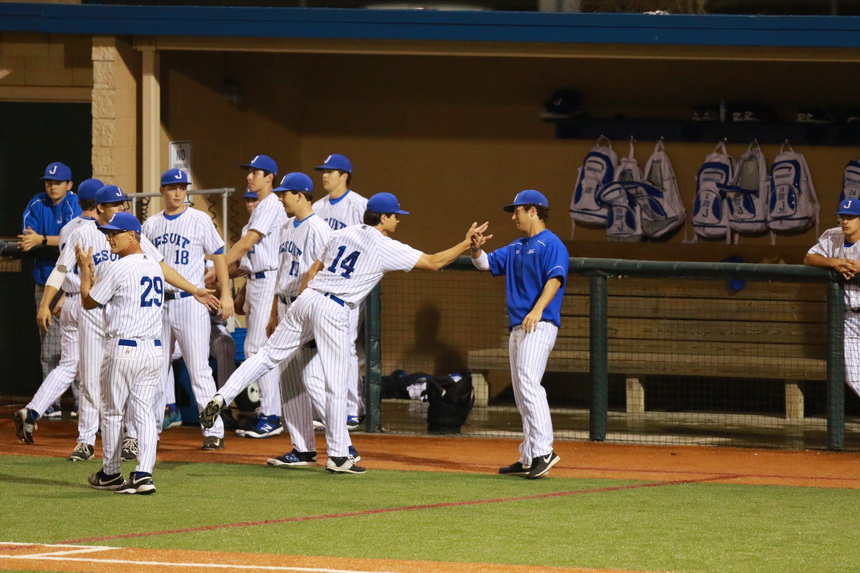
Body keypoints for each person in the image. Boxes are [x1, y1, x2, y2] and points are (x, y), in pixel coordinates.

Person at [200, 192, 488, 474]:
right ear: (383, 217)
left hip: (308, 298)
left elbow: (314, 270)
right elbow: (434, 262)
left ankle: (222, 396)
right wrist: (466, 243)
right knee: (336, 385)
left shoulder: (343, 233)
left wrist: (304, 307)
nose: (398, 220)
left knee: (267, 356)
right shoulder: (383, 245)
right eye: (395, 216)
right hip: (334, 308)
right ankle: (338, 455)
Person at [13, 184, 218, 461]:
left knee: (131, 381)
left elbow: (160, 266)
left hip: (120, 312)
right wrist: (45, 302)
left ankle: (131, 438)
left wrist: (193, 289)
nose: (121, 207)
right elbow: (61, 269)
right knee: (89, 379)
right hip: (92, 311)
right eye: (115, 204)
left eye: (122, 203)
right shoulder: (83, 233)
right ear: (100, 207)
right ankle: (86, 440)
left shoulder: (127, 232)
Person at [469, 189, 568, 479]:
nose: (513, 216)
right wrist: (475, 249)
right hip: (518, 327)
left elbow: (555, 279)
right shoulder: (516, 246)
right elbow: (485, 264)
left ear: (533, 211)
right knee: (521, 392)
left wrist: (537, 310)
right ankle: (529, 457)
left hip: (540, 323)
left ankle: (544, 451)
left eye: (517, 211)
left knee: (528, 384)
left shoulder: (552, 243)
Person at [142, 168, 234, 450]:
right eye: (173, 187)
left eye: (182, 187)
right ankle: (151, 430)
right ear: (162, 190)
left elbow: (218, 255)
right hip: (159, 303)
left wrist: (226, 293)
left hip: (191, 302)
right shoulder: (151, 225)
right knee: (156, 369)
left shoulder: (199, 219)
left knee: (199, 369)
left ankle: (213, 430)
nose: (178, 192)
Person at [77, 211, 164, 494]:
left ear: (133, 235)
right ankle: (144, 474)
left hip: (124, 349)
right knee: (145, 413)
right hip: (153, 351)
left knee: (113, 413)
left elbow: (89, 302)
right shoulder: (155, 266)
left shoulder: (119, 267)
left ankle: (111, 474)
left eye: (115, 233)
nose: (109, 238)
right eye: (108, 233)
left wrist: (85, 272)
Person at [13, 178, 103, 444]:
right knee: (96, 369)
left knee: (68, 365)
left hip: (71, 301)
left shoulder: (67, 228)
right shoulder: (100, 231)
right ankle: (91, 432)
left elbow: (63, 268)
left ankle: (32, 411)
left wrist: (55, 300)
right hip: (91, 303)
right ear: (100, 204)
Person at [211, 155, 286, 439]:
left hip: (269, 281)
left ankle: (271, 415)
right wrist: (223, 277)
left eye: (255, 172)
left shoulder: (271, 203)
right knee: (258, 349)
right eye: (249, 172)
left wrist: (218, 268)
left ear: (270, 177)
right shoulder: (260, 208)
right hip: (255, 281)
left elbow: (245, 245)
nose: (249, 177)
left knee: (259, 350)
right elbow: (246, 261)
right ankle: (266, 411)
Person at [19, 162, 82, 402]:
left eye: (57, 183)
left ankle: (80, 400)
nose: (52, 187)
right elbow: (28, 238)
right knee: (49, 345)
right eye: (49, 182)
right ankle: (50, 403)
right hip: (44, 281)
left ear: (69, 184)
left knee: (77, 346)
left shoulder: (75, 203)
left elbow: (74, 239)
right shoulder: (37, 202)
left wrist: (43, 240)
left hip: (73, 284)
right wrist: (42, 241)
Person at [313, 153, 368, 430]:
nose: (325, 175)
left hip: (350, 285)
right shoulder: (317, 207)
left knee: (346, 345)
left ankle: (352, 408)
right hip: (324, 286)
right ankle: (335, 407)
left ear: (344, 175)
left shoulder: (359, 205)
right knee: (326, 347)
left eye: (330, 171)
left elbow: (374, 239)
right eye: (323, 171)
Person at [805, 198, 860, 400]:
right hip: (849, 319)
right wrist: (833, 262)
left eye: (851, 217)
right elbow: (809, 257)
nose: (845, 221)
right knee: (853, 377)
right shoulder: (832, 236)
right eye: (842, 217)